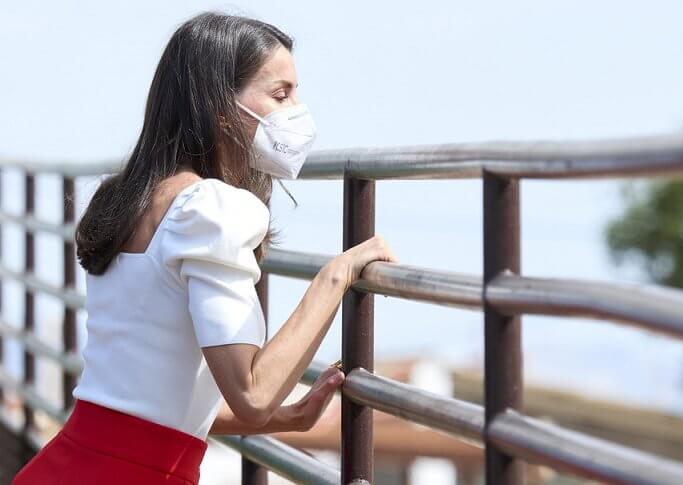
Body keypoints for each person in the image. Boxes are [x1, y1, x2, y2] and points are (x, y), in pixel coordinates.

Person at [12, 11, 397, 485]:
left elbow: (145, 403)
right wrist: (336, 276)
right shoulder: (210, 208)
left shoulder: (127, 198)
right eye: (281, 94)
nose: (298, 110)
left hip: (66, 464)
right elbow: (253, 394)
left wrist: (288, 416)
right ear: (218, 106)